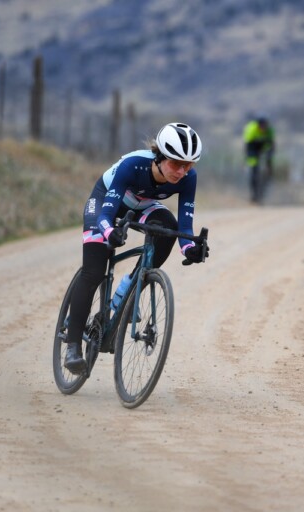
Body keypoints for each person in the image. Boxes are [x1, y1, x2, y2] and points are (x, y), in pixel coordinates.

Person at [64, 122, 209, 374]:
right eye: (176, 164)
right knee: (94, 270)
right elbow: (106, 215)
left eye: (189, 165)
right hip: (106, 202)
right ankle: (73, 345)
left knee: (168, 228)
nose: (182, 171)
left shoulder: (188, 178)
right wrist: (110, 232)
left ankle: (129, 287)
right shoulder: (133, 165)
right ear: (160, 156)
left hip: (143, 205)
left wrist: (189, 249)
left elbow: (184, 226)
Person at [243, 116, 275, 203]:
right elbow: (248, 146)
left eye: (265, 126)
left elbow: (272, 145)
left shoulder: (270, 130)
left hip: (264, 146)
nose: (263, 128)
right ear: (258, 125)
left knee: (269, 167)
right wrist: (250, 157)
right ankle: (253, 194)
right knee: (253, 169)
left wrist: (269, 156)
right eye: (261, 126)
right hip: (253, 147)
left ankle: (264, 187)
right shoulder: (251, 129)